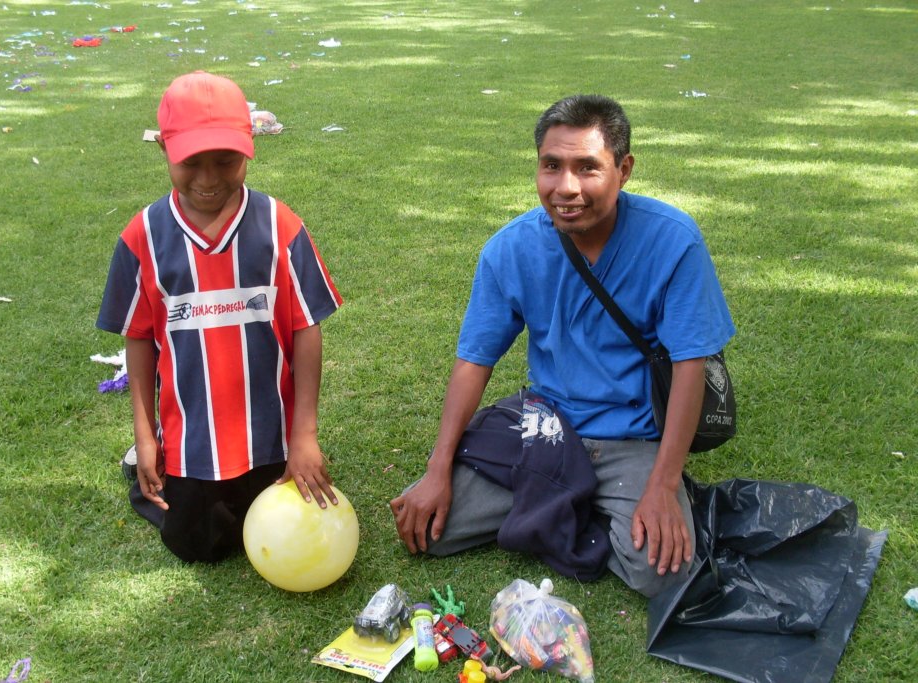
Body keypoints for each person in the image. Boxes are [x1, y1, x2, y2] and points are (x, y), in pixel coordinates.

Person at [390, 94, 735, 597]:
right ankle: (571, 494)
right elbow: (474, 360)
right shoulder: (511, 248)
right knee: (428, 531)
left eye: (587, 168)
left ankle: (563, 498)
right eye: (551, 166)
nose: (566, 188)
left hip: (634, 436)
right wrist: (437, 468)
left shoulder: (674, 240)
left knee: (662, 574)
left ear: (624, 169)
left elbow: (690, 366)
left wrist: (662, 485)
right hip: (547, 424)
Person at [97, 71, 343, 563]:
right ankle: (144, 464)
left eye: (225, 160)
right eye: (190, 161)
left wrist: (305, 435)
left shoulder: (279, 226)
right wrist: (145, 438)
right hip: (193, 440)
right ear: (165, 149)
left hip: (270, 436)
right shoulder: (141, 236)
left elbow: (305, 329)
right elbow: (140, 340)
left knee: (284, 528)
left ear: (248, 147)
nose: (208, 179)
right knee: (198, 546)